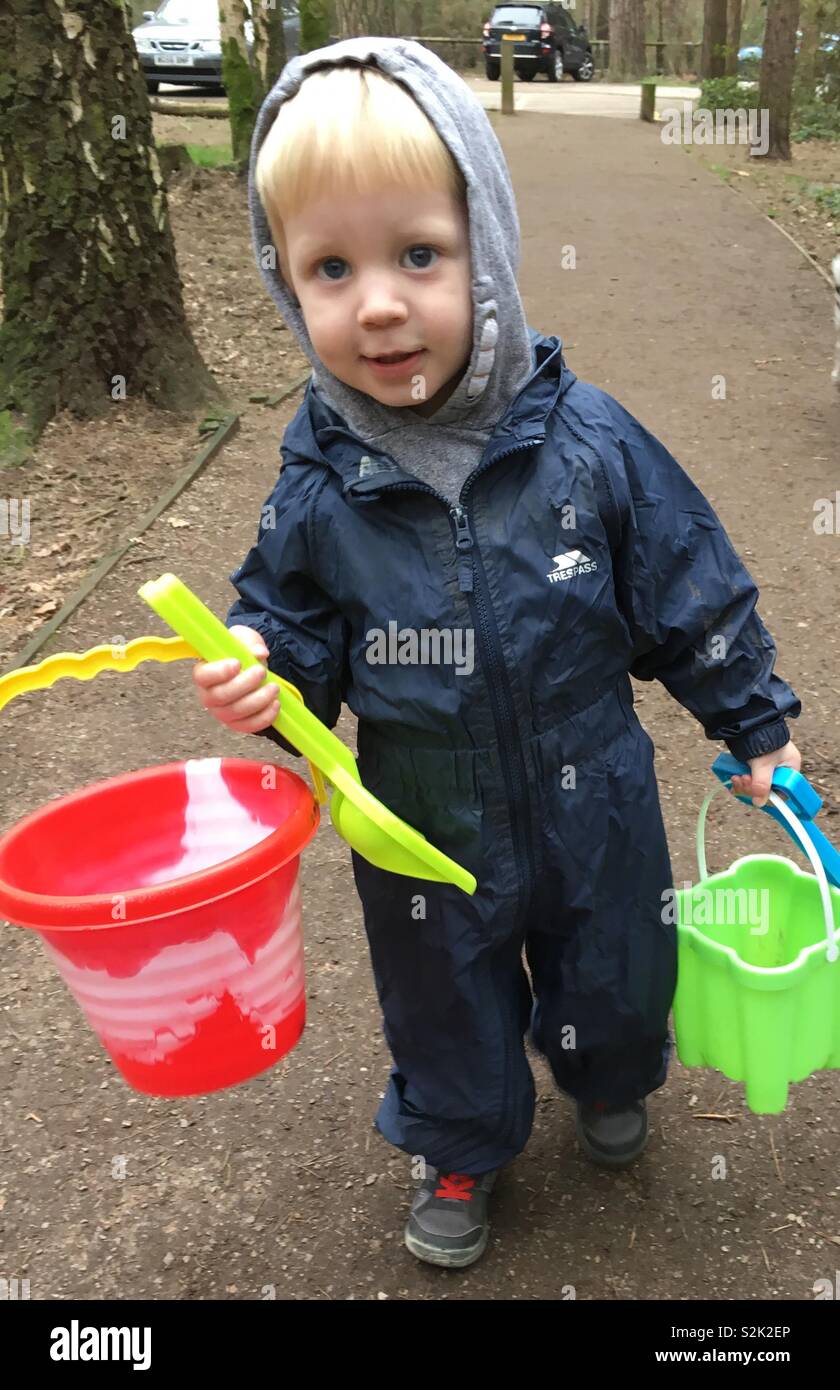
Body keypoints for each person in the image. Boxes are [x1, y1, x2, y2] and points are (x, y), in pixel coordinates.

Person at [192, 37, 802, 1270]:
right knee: (441, 994)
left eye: (419, 254)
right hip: (420, 809)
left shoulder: (588, 441)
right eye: (329, 268)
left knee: (619, 962)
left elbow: (689, 577)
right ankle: (462, 1140)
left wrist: (753, 719)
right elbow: (294, 622)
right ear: (284, 283)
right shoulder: (317, 481)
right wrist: (266, 669)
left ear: (490, 249)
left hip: (597, 785)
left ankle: (608, 1071)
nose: (377, 302)